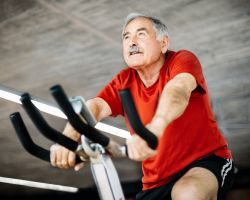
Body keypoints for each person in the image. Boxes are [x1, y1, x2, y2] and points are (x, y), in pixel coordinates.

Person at [50, 13, 235, 200]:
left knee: (188, 193)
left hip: (206, 161)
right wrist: (69, 138)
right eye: (126, 37)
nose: (132, 42)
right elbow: (95, 107)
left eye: (141, 34)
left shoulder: (182, 60)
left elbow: (178, 89)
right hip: (156, 181)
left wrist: (155, 128)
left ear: (163, 44)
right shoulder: (124, 80)